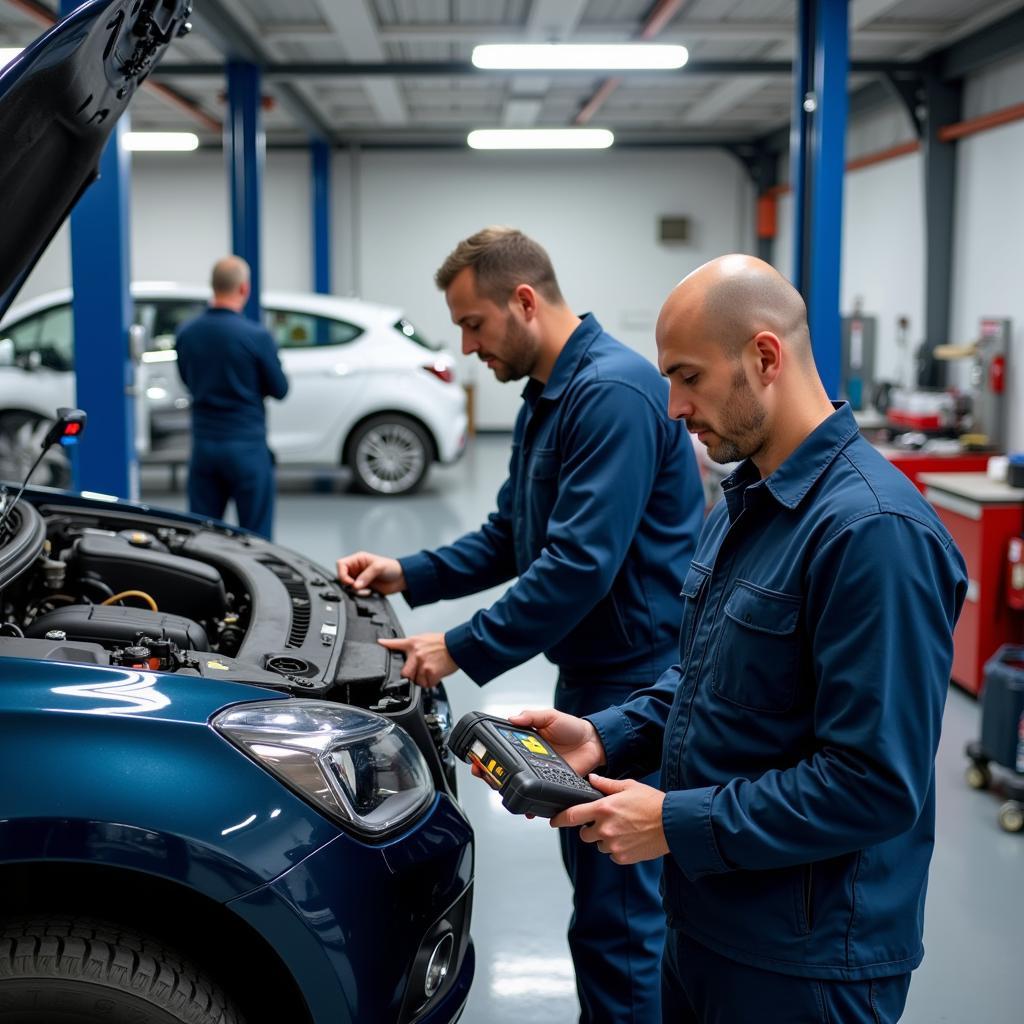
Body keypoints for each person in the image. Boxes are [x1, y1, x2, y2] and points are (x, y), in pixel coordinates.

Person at [508, 254, 968, 1024]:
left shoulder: (873, 534)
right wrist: (602, 733)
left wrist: (675, 823)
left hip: (806, 964)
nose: (674, 406)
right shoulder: (743, 502)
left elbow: (874, 784)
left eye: (688, 376)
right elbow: (701, 678)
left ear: (764, 357)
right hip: (706, 923)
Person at [336, 227, 705, 1023]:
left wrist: (460, 647)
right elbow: (512, 534)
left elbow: (580, 564)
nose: (467, 348)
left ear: (525, 301)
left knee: (620, 922)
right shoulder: (550, 395)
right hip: (594, 672)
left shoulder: (611, 394)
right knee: (604, 907)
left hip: (637, 684)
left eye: (473, 324)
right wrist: (411, 573)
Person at [176, 256, 288, 539]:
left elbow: (186, 379)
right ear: (244, 289)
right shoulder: (256, 335)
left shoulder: (187, 333)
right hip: (247, 448)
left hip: (204, 448)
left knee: (202, 536)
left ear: (213, 287)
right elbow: (280, 389)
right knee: (256, 540)